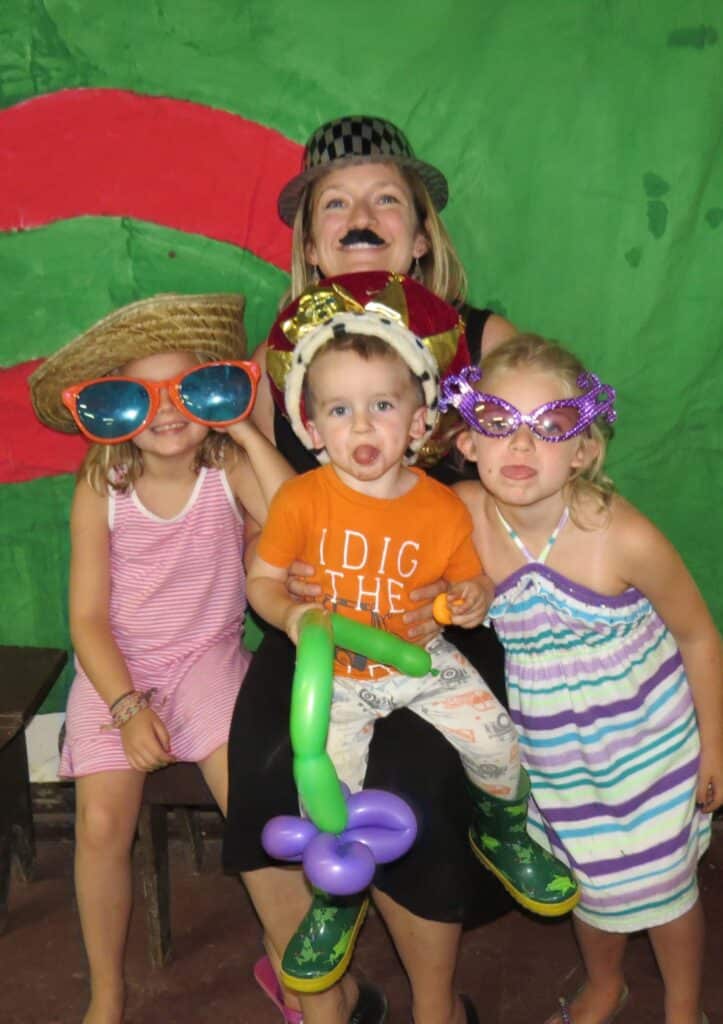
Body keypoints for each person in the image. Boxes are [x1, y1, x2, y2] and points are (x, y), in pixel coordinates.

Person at [223, 115, 517, 1024]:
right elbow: (255, 515)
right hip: (321, 626)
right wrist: (286, 591)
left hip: (444, 623)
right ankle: (329, 997)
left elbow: (533, 480)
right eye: (335, 204)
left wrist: (461, 566)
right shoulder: (273, 359)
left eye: (386, 199)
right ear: (310, 243)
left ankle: (435, 1006)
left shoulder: (481, 336)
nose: (360, 215)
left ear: (421, 232)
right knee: (269, 758)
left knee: (411, 777)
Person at [248, 272, 579, 923]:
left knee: (495, 741)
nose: (362, 425)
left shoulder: (440, 505)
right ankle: (335, 887)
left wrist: (470, 598)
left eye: (382, 406)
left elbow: (469, 581)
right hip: (338, 676)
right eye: (339, 410)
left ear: (420, 419)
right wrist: (289, 613)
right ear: (312, 429)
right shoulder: (299, 500)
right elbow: (260, 582)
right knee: (323, 787)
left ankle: (503, 830)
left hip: (424, 661)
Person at [29, 294, 294, 1024]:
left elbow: (300, 516)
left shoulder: (227, 467)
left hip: (206, 656)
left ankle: (297, 969)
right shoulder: (100, 484)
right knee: (101, 827)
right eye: (139, 396)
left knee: (252, 803)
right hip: (117, 666)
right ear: (111, 410)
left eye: (187, 389)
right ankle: (106, 996)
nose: (168, 411)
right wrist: (125, 705)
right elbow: (85, 619)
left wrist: (241, 424)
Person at [442, 334, 722, 1024]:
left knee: (664, 888)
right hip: (557, 753)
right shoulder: (458, 515)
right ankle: (605, 984)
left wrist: (714, 746)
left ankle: (682, 1007)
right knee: (588, 879)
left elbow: (697, 634)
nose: (519, 446)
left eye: (551, 427)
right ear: (467, 439)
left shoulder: (619, 534)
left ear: (583, 449)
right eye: (498, 422)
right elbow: (380, 531)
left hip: (647, 743)